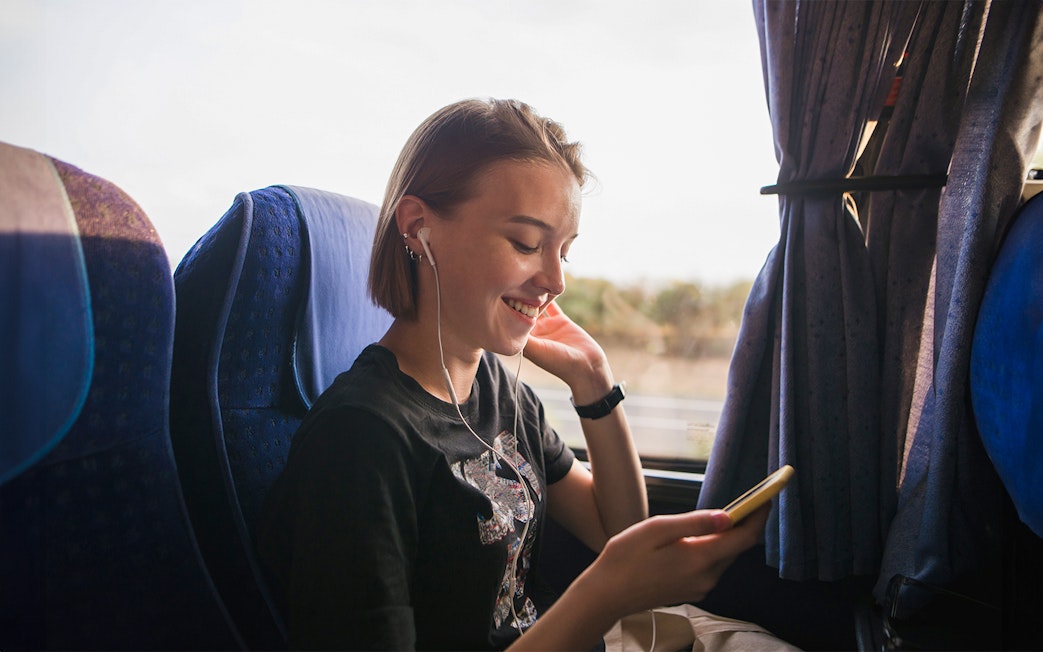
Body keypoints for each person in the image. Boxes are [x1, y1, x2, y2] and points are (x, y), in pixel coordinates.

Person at [256, 98, 769, 651]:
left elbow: (615, 529)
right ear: (419, 228)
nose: (554, 279)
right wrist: (602, 595)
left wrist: (594, 380)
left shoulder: (499, 391)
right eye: (527, 243)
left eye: (563, 252)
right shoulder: (360, 438)